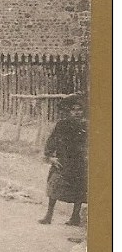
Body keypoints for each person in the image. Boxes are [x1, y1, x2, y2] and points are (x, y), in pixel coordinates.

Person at [38, 96, 87, 225]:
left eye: (79, 110)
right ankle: (48, 215)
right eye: (73, 110)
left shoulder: (85, 126)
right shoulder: (62, 125)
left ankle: (75, 217)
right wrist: (50, 157)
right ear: (69, 112)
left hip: (80, 163)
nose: (77, 112)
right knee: (54, 185)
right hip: (62, 161)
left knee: (80, 189)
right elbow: (52, 140)